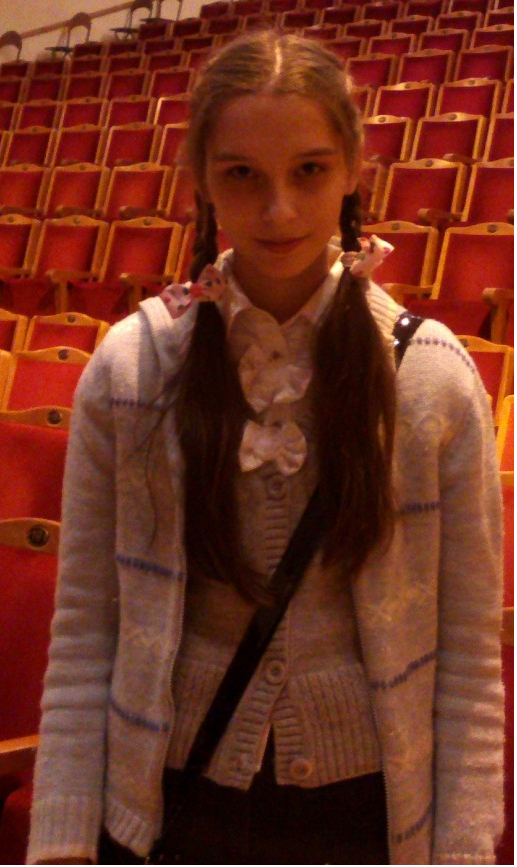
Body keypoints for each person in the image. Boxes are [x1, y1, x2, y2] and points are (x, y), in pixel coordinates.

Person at [28, 29, 504, 866]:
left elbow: (468, 663)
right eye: (242, 174)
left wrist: (463, 853)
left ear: (352, 170)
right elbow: (83, 634)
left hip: (366, 817)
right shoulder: (132, 368)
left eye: (308, 170)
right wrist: (60, 839)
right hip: (169, 805)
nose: (278, 210)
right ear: (202, 180)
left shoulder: (432, 378)